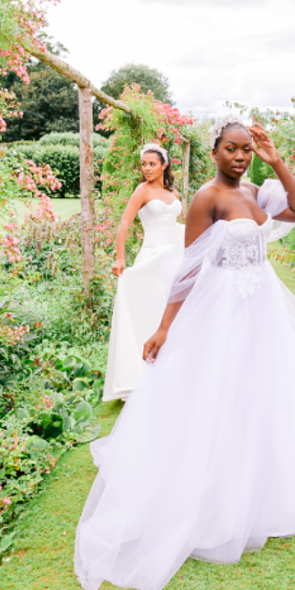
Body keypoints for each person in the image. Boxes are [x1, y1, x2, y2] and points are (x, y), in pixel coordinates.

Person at [75, 117, 295, 590]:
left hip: (263, 302)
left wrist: (275, 161)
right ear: (215, 151)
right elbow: (187, 266)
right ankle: (214, 489)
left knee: (268, 390)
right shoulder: (207, 197)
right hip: (220, 305)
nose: (240, 156)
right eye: (231, 149)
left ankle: (265, 481)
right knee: (219, 389)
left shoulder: (259, 190)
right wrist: (164, 326)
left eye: (246, 149)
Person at [102, 143, 183, 402]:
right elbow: (124, 223)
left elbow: (176, 224)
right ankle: (145, 374)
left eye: (152, 164)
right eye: (144, 164)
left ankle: (173, 371)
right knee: (152, 312)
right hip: (152, 258)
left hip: (175, 256)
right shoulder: (142, 190)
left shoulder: (172, 192)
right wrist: (120, 256)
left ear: (164, 165)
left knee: (175, 313)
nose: (147, 169)